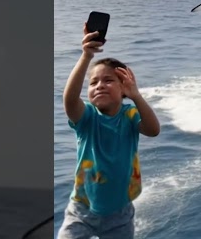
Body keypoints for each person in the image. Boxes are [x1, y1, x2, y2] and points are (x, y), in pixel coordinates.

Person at [57, 24, 162, 239]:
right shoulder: (87, 117)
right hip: (81, 211)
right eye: (94, 82)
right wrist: (86, 56)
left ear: (124, 88)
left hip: (120, 214)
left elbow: (153, 130)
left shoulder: (130, 115)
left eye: (108, 80)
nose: (100, 86)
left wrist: (136, 96)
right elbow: (69, 100)